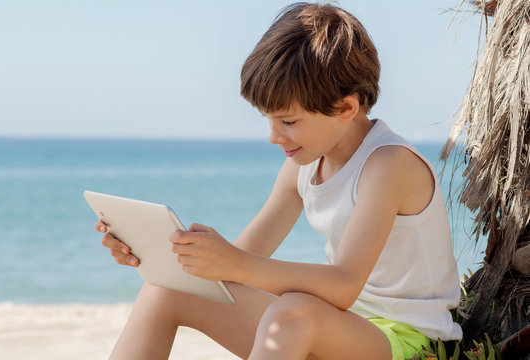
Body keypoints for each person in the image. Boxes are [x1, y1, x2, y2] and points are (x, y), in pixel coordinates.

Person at [95, 2, 463, 359]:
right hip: (335, 329)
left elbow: (344, 285)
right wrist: (162, 256)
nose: (273, 136)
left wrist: (232, 263)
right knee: (167, 290)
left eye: (288, 122)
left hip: (407, 341)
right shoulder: (302, 166)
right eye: (267, 119)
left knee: (292, 311)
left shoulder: (388, 164)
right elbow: (241, 265)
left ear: (346, 109)